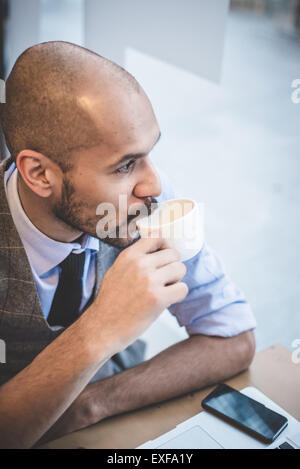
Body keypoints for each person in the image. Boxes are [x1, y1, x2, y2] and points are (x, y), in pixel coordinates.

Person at [0, 41, 256, 449]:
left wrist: (93, 402)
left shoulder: (142, 204)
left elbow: (234, 336)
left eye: (149, 153)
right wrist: (100, 328)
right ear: (39, 173)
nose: (154, 185)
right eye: (124, 166)